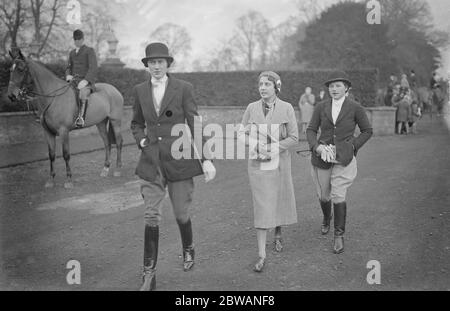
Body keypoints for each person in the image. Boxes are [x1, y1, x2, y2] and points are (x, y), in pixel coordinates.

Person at [131, 42, 216, 291]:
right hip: (151, 162)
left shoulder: (183, 89)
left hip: (180, 159)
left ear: (168, 64)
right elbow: (136, 123)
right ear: (147, 66)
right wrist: (142, 139)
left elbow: (195, 123)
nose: (156, 67)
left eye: (160, 62)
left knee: (181, 213)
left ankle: (188, 247)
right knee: (151, 215)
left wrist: (207, 159)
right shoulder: (139, 90)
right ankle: (149, 274)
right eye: (152, 63)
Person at [237, 71, 298, 272]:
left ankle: (278, 232)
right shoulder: (251, 108)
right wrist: (255, 144)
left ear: (276, 87)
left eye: (267, 84)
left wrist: (273, 148)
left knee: (278, 199)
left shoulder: (287, 108)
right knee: (262, 205)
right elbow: (240, 133)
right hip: (257, 164)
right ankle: (262, 254)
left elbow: (294, 137)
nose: (262, 87)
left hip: (279, 162)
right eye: (260, 84)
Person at [306, 71, 373, 254]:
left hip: (344, 158)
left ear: (346, 88)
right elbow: (311, 130)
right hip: (322, 158)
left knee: (339, 195)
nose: (334, 89)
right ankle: (327, 218)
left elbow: (367, 130)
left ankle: (339, 235)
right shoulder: (321, 107)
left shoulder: (355, 107)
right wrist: (316, 147)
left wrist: (353, 146)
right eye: (331, 86)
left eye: (338, 86)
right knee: (324, 196)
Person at [65, 29, 98, 128]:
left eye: (79, 39)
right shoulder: (71, 53)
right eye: (75, 39)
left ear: (83, 39)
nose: (77, 41)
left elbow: (93, 67)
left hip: (86, 82)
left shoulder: (89, 50)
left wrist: (86, 80)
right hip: (74, 81)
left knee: (82, 94)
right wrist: (68, 75)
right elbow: (68, 67)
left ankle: (81, 118)